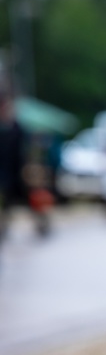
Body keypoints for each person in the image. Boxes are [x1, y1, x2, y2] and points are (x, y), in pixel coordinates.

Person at [0, 90, 27, 244]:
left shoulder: (16, 128)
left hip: (13, 173)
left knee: (11, 202)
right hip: (5, 172)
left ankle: (5, 226)